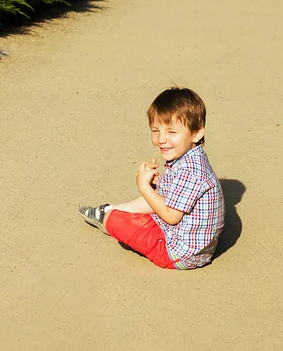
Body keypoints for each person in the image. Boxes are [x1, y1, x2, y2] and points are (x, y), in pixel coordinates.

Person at [78, 87, 225, 269]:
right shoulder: (190, 157)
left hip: (179, 254)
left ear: (196, 133)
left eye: (171, 132)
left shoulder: (191, 171)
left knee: (116, 220)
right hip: (189, 241)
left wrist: (144, 187)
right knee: (154, 194)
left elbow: (171, 216)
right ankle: (110, 209)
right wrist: (157, 187)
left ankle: (108, 217)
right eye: (156, 130)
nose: (161, 139)